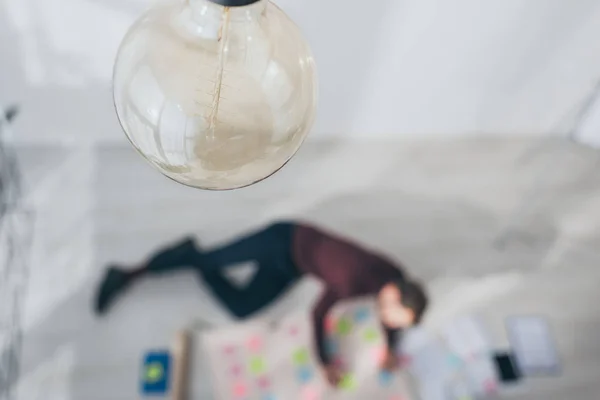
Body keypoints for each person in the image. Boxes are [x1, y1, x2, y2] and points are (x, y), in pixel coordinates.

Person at [95, 221, 428, 386]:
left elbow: (391, 318)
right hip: (284, 239)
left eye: (399, 325)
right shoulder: (352, 281)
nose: (392, 324)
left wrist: (390, 348)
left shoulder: (396, 275)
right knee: (213, 259)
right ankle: (128, 274)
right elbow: (317, 314)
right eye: (396, 319)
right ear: (393, 296)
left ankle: (191, 255)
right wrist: (325, 363)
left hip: (297, 266)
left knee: (240, 307)